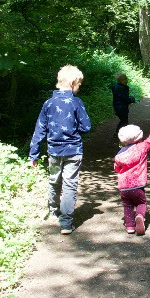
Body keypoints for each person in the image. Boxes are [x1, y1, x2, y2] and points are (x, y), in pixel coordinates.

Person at [29, 64, 92, 235]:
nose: (79, 88)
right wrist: (74, 128)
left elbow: (40, 129)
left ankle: (53, 211)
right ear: (73, 83)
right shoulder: (76, 102)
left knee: (54, 180)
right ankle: (66, 223)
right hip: (73, 151)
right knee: (70, 184)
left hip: (54, 151)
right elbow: (86, 127)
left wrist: (33, 153)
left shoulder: (48, 103)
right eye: (79, 85)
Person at [114, 123, 150, 235]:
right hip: (138, 186)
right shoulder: (142, 148)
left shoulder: (119, 154)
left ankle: (130, 226)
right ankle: (140, 216)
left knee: (127, 206)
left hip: (124, 188)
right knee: (141, 203)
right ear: (138, 137)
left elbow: (116, 168)